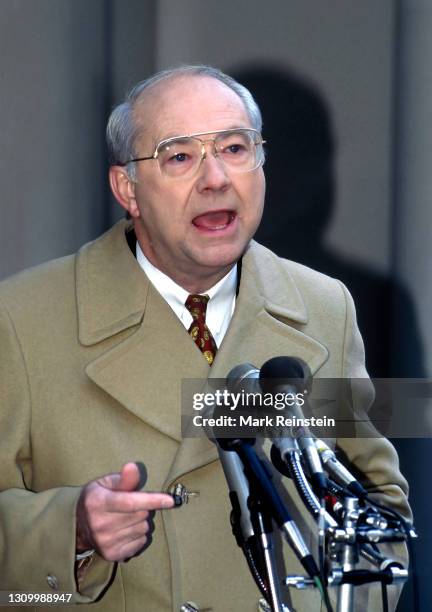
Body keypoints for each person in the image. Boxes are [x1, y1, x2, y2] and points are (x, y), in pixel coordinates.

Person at [0, 65, 410, 612]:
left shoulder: (322, 307)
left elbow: (379, 512)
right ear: (128, 188)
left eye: (235, 148)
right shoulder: (22, 318)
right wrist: (70, 531)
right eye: (179, 156)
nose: (216, 178)